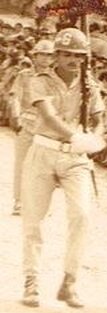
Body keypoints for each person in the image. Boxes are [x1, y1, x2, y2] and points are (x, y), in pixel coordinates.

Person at [21, 28, 106, 309]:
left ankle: (69, 281)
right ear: (55, 55)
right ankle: (31, 279)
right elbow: (48, 115)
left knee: (82, 215)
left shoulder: (89, 84)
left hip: (75, 157)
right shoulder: (40, 80)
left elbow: (100, 116)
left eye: (78, 55)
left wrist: (95, 136)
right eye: (66, 54)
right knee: (34, 219)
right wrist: (75, 136)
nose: (72, 59)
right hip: (45, 149)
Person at [7, 39, 55, 215]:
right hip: (27, 122)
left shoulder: (55, 77)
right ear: (35, 56)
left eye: (49, 55)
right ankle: (19, 201)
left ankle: (42, 203)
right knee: (22, 163)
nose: (46, 58)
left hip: (47, 126)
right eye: (42, 54)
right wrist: (16, 115)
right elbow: (15, 97)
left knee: (45, 167)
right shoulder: (24, 75)